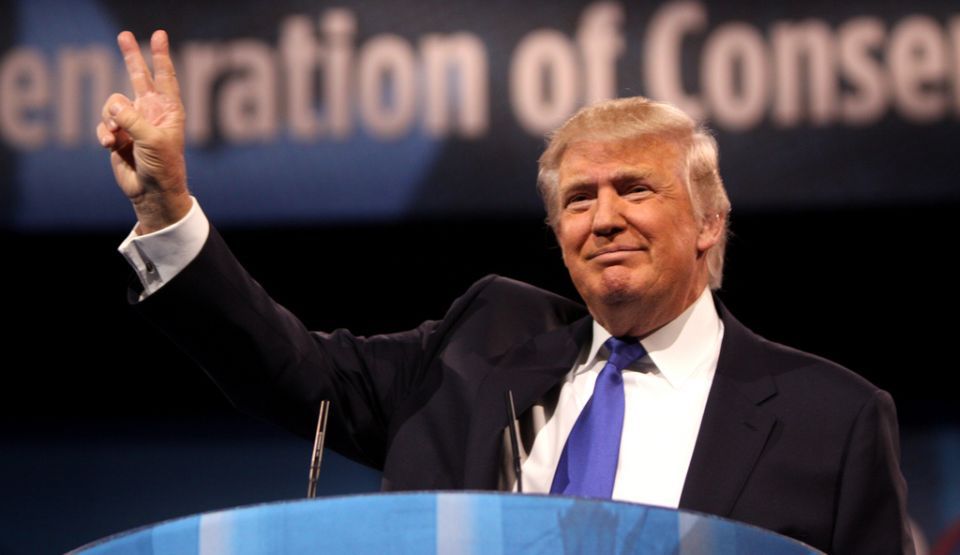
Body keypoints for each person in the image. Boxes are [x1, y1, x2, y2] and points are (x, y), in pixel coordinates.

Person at [97, 30, 914, 553]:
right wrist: (168, 211)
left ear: (708, 221)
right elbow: (291, 369)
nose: (604, 218)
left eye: (634, 188)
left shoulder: (833, 418)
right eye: (579, 200)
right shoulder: (480, 345)